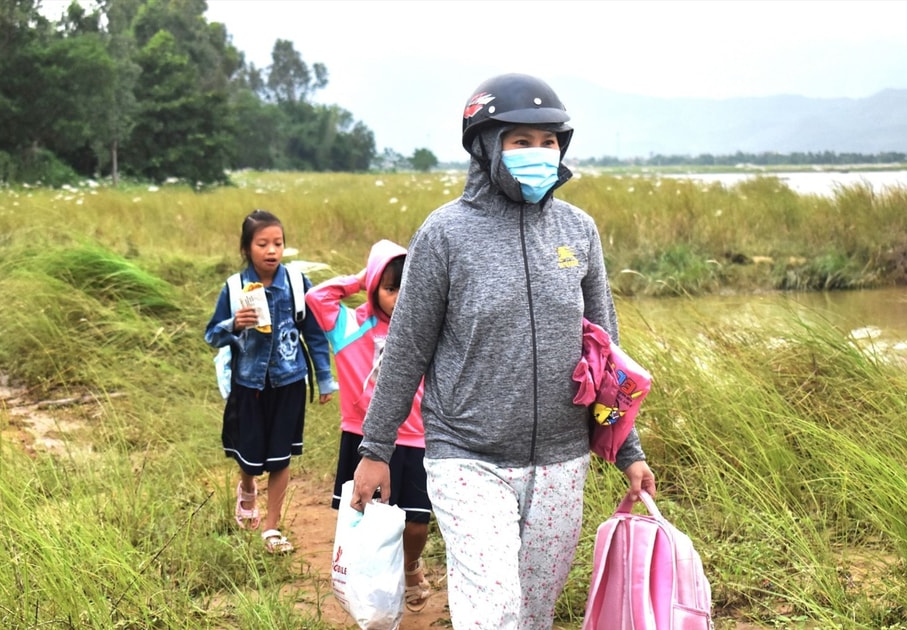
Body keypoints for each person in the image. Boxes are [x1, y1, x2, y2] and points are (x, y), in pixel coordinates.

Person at [350, 73, 656, 628]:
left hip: (563, 459)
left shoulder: (578, 231)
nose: (539, 153)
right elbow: (407, 349)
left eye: (549, 141)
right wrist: (375, 448)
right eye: (521, 141)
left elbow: (607, 358)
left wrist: (627, 449)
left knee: (535, 612)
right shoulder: (445, 234)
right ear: (486, 146)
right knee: (494, 609)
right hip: (467, 454)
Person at [305, 239, 433, 612]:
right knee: (365, 517)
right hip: (362, 440)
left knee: (416, 522)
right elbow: (318, 298)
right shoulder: (351, 326)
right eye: (391, 288)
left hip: (414, 438)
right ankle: (369, 584)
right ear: (376, 287)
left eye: (407, 289)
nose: (399, 298)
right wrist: (363, 277)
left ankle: (410, 567)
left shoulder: (424, 329)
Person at [205, 209, 336, 555]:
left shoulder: (295, 283)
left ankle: (272, 527)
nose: (271, 250)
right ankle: (247, 486)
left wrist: (325, 379)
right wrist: (234, 324)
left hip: (290, 382)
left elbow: (314, 334)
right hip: (249, 385)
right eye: (262, 243)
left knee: (280, 458)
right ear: (247, 248)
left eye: (278, 243)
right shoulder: (234, 288)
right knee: (250, 457)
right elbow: (211, 336)